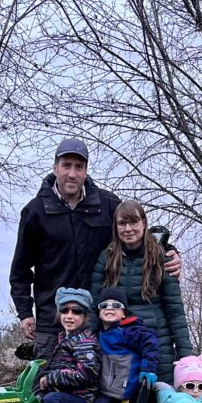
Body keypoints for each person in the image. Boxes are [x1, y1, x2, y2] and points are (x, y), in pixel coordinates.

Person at [10, 138, 180, 360]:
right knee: (49, 386)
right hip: (53, 320)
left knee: (99, 387)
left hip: (101, 319)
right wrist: (25, 313)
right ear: (55, 167)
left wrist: (168, 250)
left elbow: (135, 234)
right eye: (66, 165)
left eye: (78, 167)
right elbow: (21, 270)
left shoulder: (107, 204)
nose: (72, 174)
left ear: (86, 170)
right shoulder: (35, 211)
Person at [56, 286, 159, 403]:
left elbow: (150, 341)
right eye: (104, 305)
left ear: (124, 312)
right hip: (101, 387)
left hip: (116, 390)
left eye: (116, 306)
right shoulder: (100, 334)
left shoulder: (128, 330)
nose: (110, 308)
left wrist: (148, 368)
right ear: (98, 311)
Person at [90, 200, 193, 384]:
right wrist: (88, 346)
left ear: (144, 223)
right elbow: (94, 305)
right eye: (122, 223)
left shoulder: (162, 257)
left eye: (133, 222)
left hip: (158, 346)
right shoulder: (106, 257)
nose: (128, 229)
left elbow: (175, 311)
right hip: (117, 348)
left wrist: (187, 358)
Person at [27, 288, 101, 403]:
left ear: (85, 316)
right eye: (64, 310)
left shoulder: (85, 341)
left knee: (54, 400)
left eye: (76, 311)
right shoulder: (65, 337)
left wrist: (52, 379)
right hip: (70, 394)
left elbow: (87, 373)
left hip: (83, 398)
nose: (69, 315)